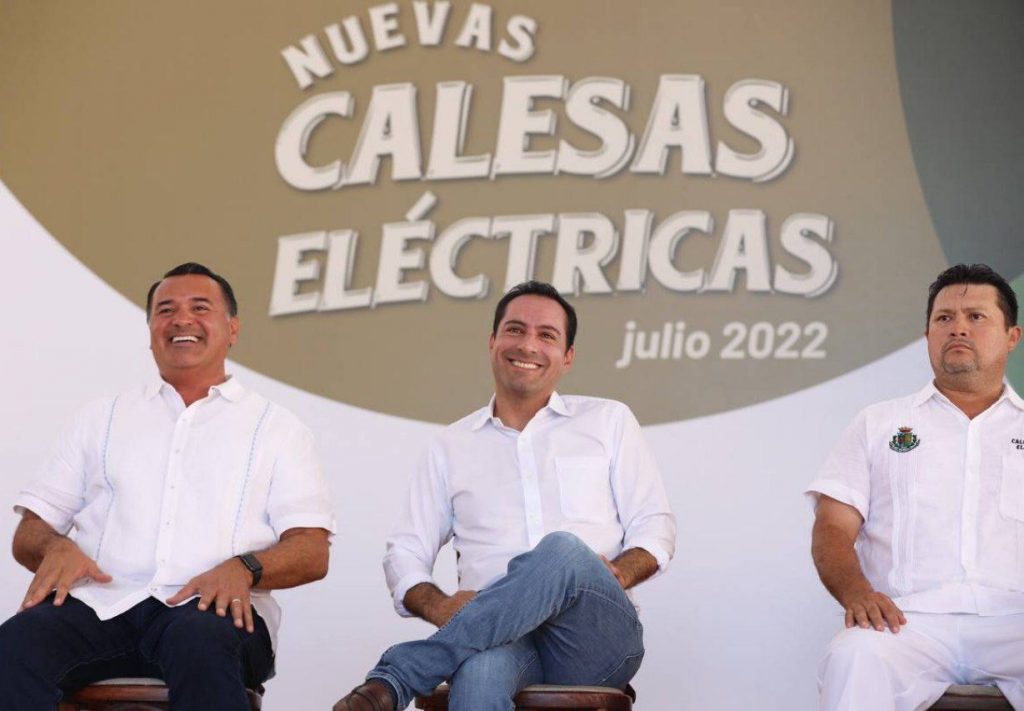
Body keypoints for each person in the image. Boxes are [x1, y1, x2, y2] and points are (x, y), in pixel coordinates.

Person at [0, 262, 335, 710]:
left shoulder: (277, 429)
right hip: (103, 607)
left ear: (232, 329)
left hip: (214, 612)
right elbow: (30, 533)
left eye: (200, 308)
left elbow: (312, 550)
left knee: (198, 639)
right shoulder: (100, 418)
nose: (181, 320)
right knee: (16, 644)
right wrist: (53, 546)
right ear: (151, 331)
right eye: (166, 310)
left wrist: (245, 567)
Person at [334, 281, 676, 711]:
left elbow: (655, 528)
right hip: (500, 639)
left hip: (593, 635)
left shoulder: (608, 421)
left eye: (546, 335)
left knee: (563, 550)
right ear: (493, 342)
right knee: (477, 677)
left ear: (568, 356)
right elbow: (404, 552)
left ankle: (398, 677)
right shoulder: (450, 446)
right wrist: (440, 606)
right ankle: (419, 667)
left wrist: (619, 572)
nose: (528, 345)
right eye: (515, 330)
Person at [807, 263, 1024, 710]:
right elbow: (832, 528)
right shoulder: (878, 423)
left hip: (1015, 620)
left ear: (1012, 336)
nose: (958, 328)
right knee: (854, 654)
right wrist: (858, 594)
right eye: (944, 318)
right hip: (907, 622)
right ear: (927, 336)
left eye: (976, 317)